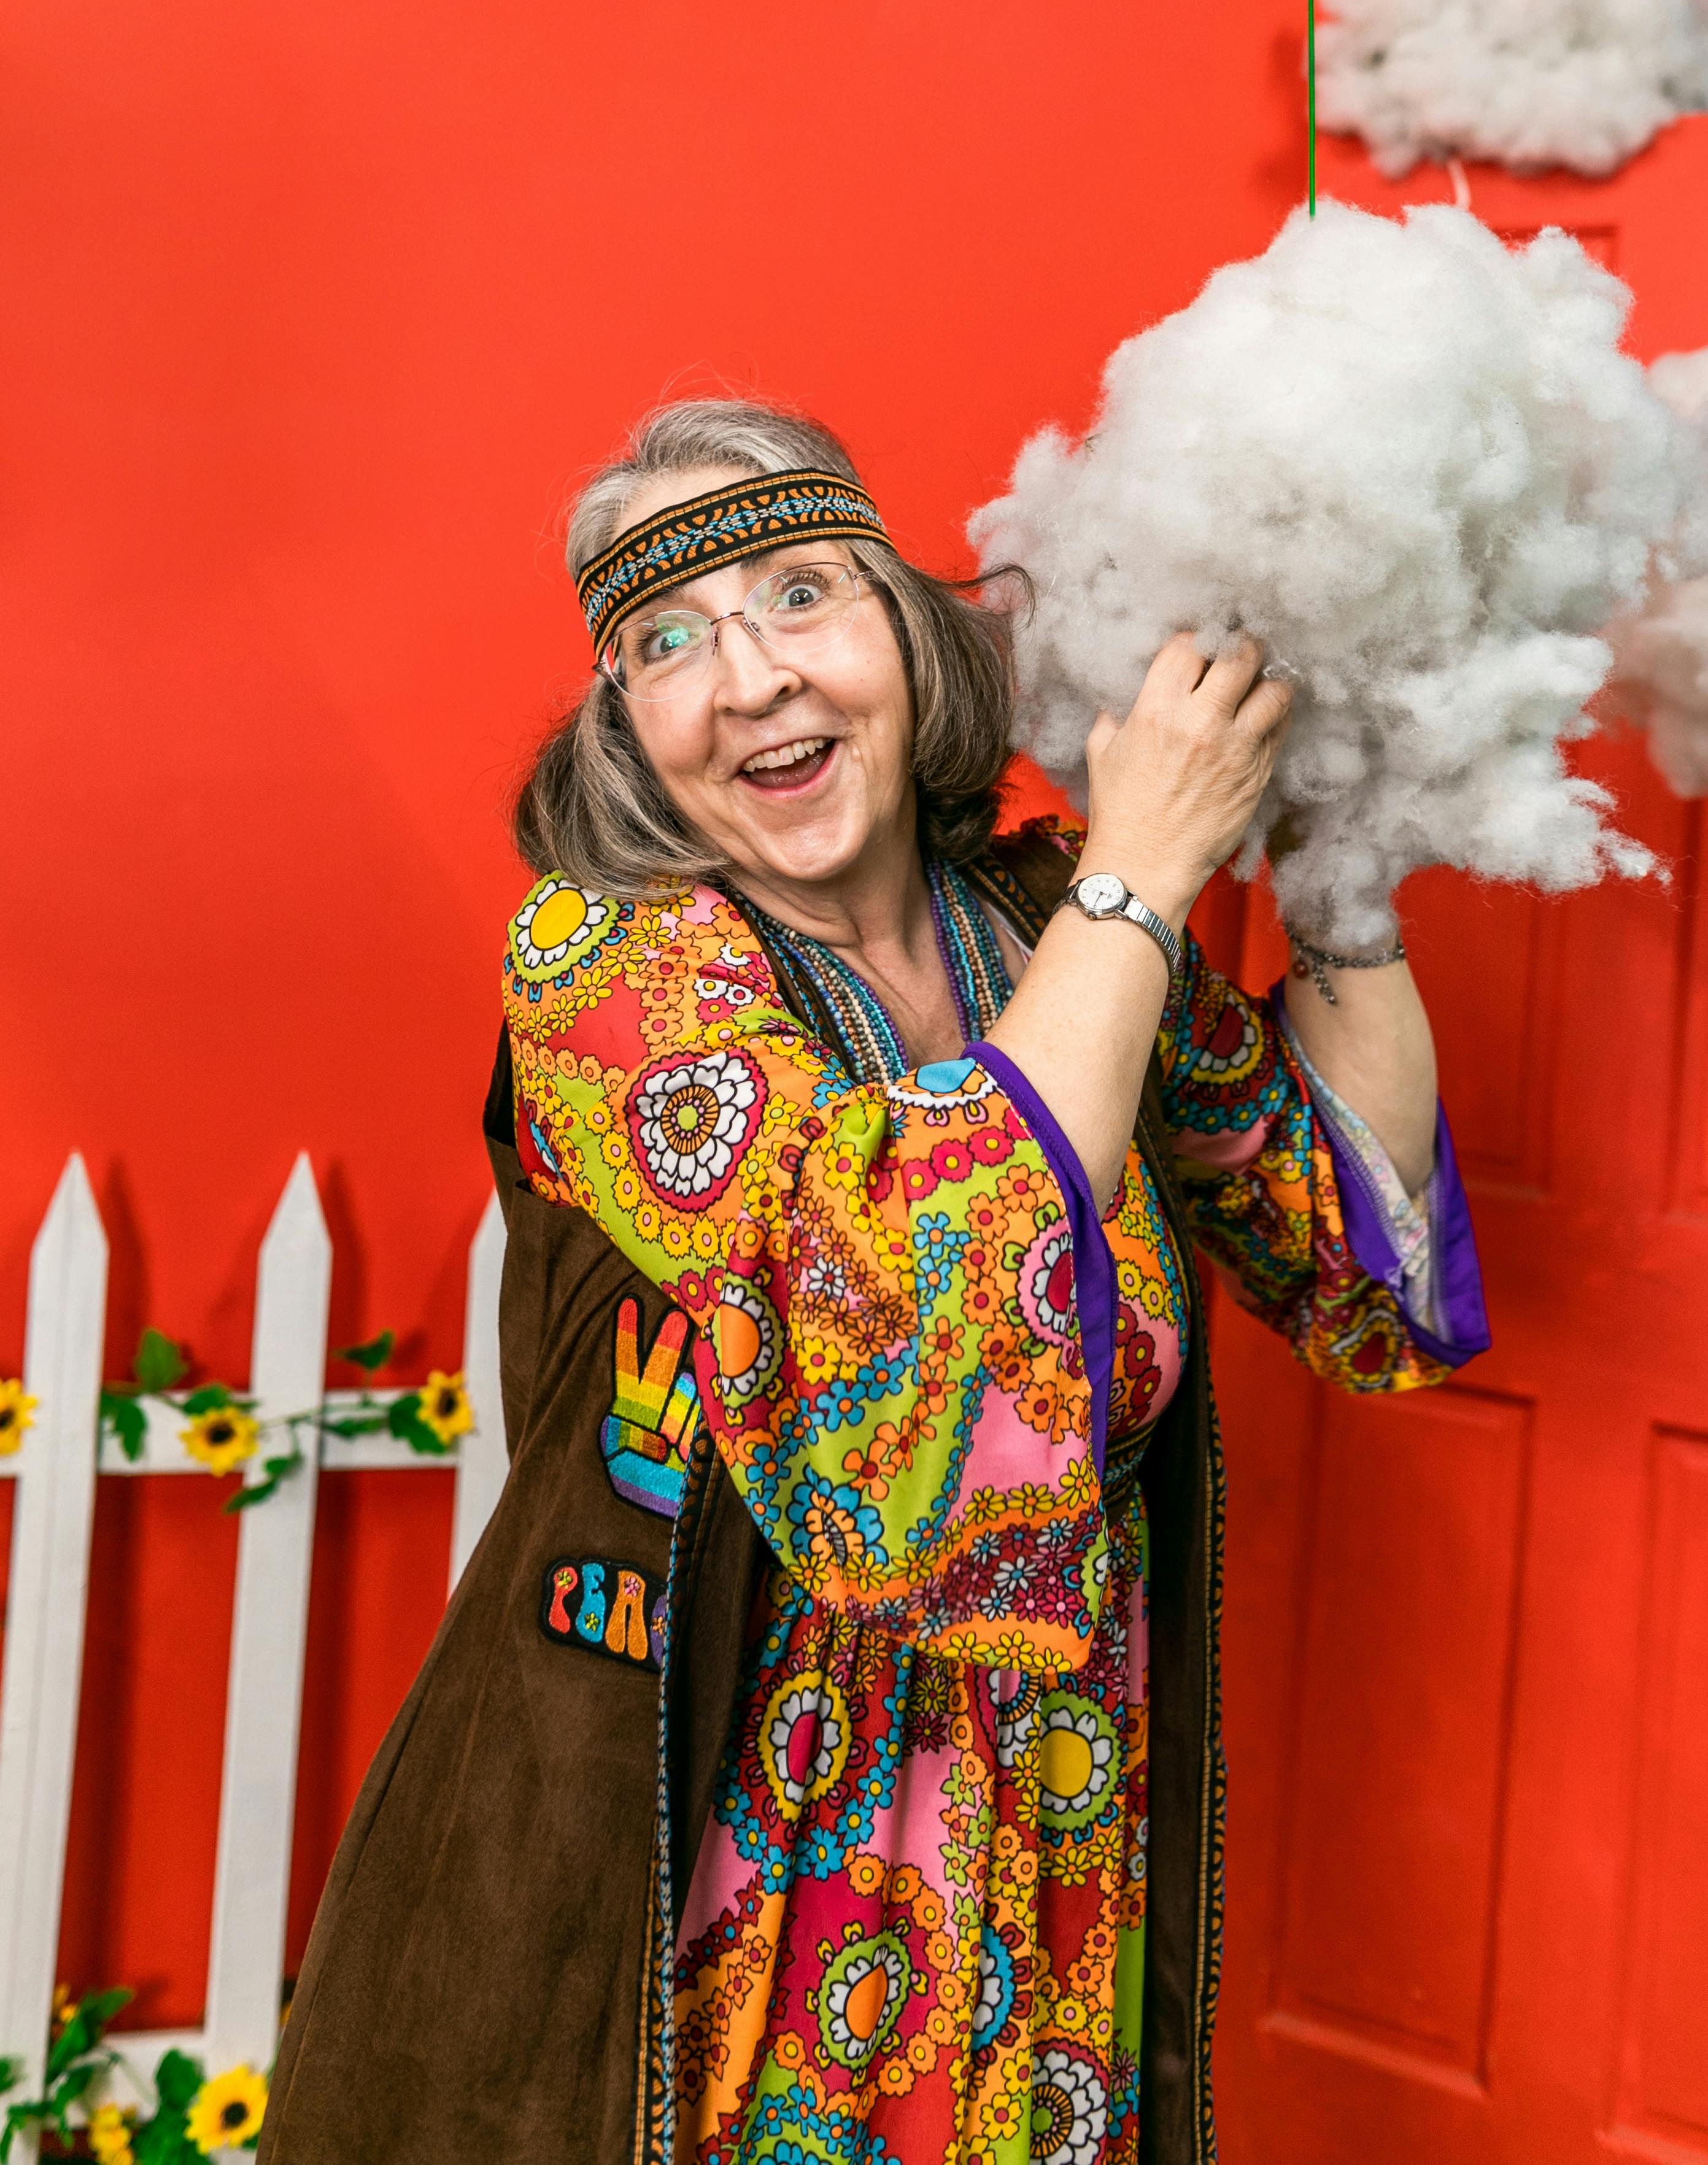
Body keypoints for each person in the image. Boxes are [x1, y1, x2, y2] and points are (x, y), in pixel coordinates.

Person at [261, 399, 1487, 2165]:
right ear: (627, 732)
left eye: (800, 591)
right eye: (665, 641)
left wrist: (1343, 861)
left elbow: (1354, 1268)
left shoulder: (1050, 922)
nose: (748, 675)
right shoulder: (613, 969)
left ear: (911, 639)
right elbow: (901, 1336)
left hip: (1050, 1814)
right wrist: (1145, 881)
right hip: (722, 1836)